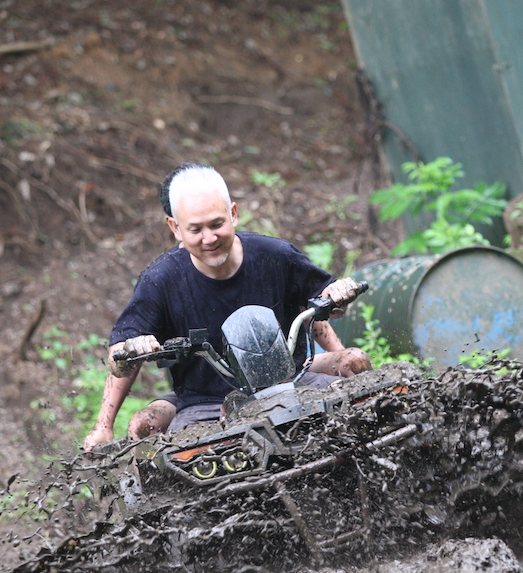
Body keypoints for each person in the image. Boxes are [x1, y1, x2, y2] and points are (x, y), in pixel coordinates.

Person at [82, 162, 370, 452]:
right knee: (145, 426)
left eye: (216, 224)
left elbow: (320, 303)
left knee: (355, 360)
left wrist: (338, 295)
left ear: (233, 214)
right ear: (175, 228)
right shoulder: (161, 281)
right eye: (195, 229)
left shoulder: (275, 255)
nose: (209, 239)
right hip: (206, 402)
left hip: (291, 378)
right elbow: (119, 357)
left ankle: (371, 454)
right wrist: (104, 424)